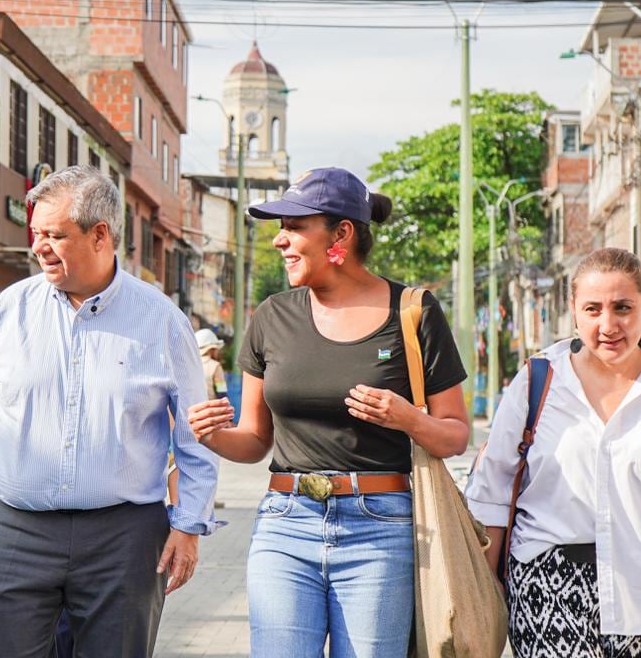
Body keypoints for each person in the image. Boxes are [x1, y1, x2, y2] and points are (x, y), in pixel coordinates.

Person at [186, 167, 469, 657]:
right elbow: (254, 440)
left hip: (381, 529)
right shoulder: (272, 316)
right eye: (281, 228)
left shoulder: (414, 311)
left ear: (342, 233)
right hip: (285, 521)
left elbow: (455, 436)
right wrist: (211, 435)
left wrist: (408, 419)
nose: (280, 241)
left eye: (295, 227)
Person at [0, 165, 220, 658]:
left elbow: (196, 437)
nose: (39, 247)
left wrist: (188, 525)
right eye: (36, 234)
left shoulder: (162, 322)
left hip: (125, 537)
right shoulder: (9, 312)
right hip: (15, 527)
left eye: (54, 234)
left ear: (101, 235)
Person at [466, 248, 641, 658]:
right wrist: (486, 592)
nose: (608, 325)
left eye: (622, 307)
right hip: (548, 589)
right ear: (573, 310)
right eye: (593, 308)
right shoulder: (535, 383)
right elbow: (491, 492)